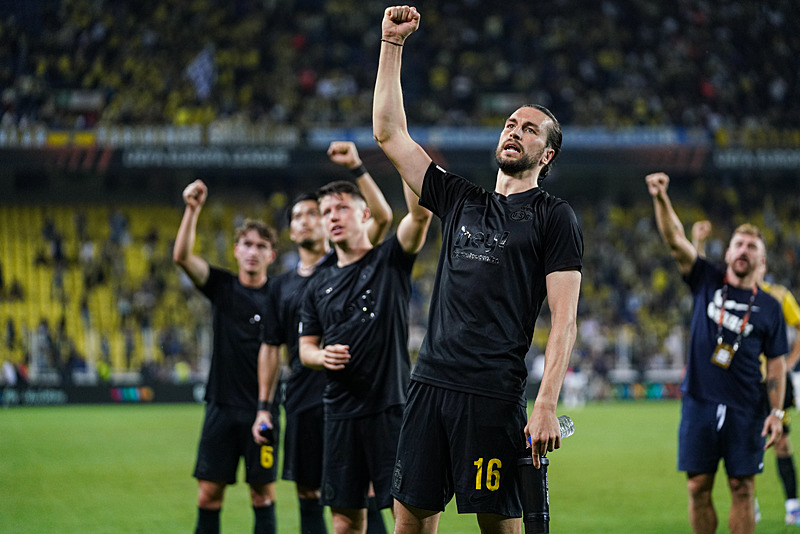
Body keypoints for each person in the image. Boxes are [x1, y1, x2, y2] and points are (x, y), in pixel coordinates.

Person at [373, 6, 584, 533]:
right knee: (410, 524)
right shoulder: (461, 198)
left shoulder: (554, 217)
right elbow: (389, 134)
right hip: (430, 382)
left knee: (500, 528)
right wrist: (391, 45)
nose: (515, 131)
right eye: (511, 123)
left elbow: (564, 321)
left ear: (548, 154)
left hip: (493, 394)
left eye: (530, 129)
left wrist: (546, 404)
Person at [252, 141, 394, 534]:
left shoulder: (345, 263)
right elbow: (272, 348)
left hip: (352, 395)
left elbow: (381, 221)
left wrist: (358, 169)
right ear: (291, 229)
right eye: (300, 216)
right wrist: (265, 405)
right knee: (312, 492)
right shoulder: (279, 288)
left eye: (320, 213)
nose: (310, 220)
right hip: (301, 397)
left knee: (362, 493)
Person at [646, 171, 788, 534]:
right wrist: (661, 197)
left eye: (751, 247)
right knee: (697, 487)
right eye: (738, 244)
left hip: (747, 406)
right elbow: (675, 239)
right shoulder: (707, 278)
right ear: (727, 253)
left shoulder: (771, 306)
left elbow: (776, 363)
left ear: (762, 261)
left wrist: (776, 411)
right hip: (700, 401)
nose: (743, 251)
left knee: (742, 488)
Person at [298, 169, 432, 533]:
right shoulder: (317, 285)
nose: (332, 217)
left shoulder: (388, 260)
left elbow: (420, 215)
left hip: (390, 407)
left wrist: (404, 160)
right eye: (325, 212)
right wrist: (321, 357)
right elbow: (305, 348)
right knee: (344, 521)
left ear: (365, 214)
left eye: (341, 208)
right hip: (340, 412)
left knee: (406, 513)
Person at [174, 179, 280, 534]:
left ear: (271, 255)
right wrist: (192, 209)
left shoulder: (280, 297)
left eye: (261, 246)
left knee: (263, 495)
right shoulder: (222, 286)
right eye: (247, 244)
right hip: (220, 406)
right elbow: (182, 257)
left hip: (261, 409)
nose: (253, 251)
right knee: (208, 495)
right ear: (235, 250)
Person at [693, 219, 800, 525]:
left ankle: (792, 504)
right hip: (738, 384)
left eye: (755, 252)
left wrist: (789, 362)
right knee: (736, 453)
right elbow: (699, 277)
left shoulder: (777, 298)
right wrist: (698, 242)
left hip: (773, 382)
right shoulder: (726, 291)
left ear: (763, 261)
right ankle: (749, 503)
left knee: (781, 442)